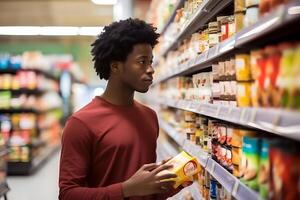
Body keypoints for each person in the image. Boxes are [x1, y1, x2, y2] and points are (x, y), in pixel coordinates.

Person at [59, 18, 184, 200]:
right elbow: (68, 194)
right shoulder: (81, 124)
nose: (150, 69)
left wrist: (168, 181)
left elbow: (144, 190)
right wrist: (126, 189)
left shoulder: (149, 117)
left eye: (151, 61)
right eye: (142, 61)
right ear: (115, 66)